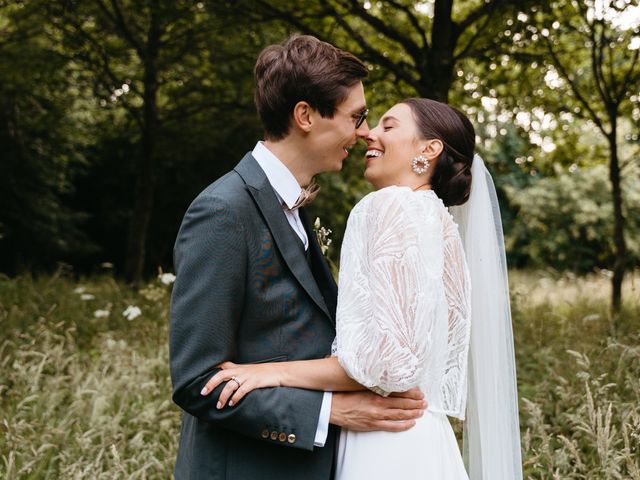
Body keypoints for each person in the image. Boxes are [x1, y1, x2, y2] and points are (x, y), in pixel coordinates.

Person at [202, 98, 523, 479]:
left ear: (429, 148)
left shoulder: (385, 207)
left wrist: (271, 373)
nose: (369, 132)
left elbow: (385, 365)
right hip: (426, 439)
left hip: (383, 444)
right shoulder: (443, 227)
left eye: (389, 126)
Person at [169, 35, 427, 480]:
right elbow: (197, 382)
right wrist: (331, 411)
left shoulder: (294, 207)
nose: (364, 133)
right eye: (356, 117)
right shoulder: (223, 211)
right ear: (305, 115)